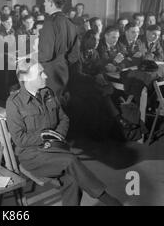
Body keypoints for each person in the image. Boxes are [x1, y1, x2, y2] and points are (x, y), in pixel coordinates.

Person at [6, 58, 122, 206]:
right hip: (31, 155)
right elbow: (19, 139)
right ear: (26, 78)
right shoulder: (14, 102)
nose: (46, 76)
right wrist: (45, 138)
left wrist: (56, 137)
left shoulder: (48, 93)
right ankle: (108, 199)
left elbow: (64, 118)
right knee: (71, 161)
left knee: (72, 179)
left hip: (56, 147)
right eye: (40, 74)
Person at [38, 0, 80, 102]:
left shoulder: (50, 22)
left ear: (51, 2)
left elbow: (45, 54)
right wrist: (62, 62)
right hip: (64, 73)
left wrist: (30, 58)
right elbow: (74, 55)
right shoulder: (71, 24)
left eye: (45, 1)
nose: (44, 4)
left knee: (46, 110)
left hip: (48, 74)